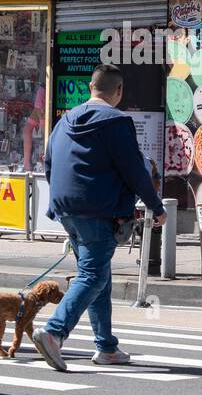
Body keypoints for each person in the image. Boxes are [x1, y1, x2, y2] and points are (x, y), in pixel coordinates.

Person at [32, 64, 165, 372]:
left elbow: (50, 162)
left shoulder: (64, 119)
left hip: (66, 207)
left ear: (91, 88)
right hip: (98, 209)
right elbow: (134, 168)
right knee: (93, 276)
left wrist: (62, 201)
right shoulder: (117, 121)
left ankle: (106, 346)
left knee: (98, 274)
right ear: (118, 91)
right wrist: (156, 207)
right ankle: (54, 332)